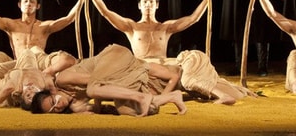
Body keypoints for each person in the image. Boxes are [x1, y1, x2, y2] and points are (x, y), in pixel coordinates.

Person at [84, 0, 255, 104]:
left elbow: (193, 19)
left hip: (167, 66)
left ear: (157, 5)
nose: (148, 5)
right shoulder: (131, 27)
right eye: (145, 2)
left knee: (193, 73)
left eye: (151, 1)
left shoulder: (165, 27)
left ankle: (232, 90)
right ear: (139, 6)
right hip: (145, 68)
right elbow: (106, 12)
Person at [35, 44, 187, 116]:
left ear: (52, 92)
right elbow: (102, 102)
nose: (57, 106)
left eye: (53, 101)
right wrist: (86, 110)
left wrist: (95, 103)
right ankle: (173, 97)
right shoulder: (75, 104)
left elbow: (98, 80)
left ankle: (141, 97)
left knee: (93, 89)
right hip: (119, 73)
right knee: (126, 110)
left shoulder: (62, 79)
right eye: (53, 110)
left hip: (114, 55)